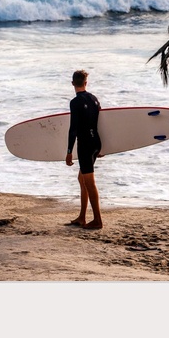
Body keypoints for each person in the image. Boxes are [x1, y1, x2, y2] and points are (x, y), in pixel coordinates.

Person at [65, 69, 104, 229]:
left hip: (85, 145)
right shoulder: (94, 99)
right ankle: (82, 217)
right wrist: (102, 147)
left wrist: (69, 152)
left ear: (73, 83)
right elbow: (101, 123)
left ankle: (97, 220)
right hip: (96, 143)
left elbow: (73, 128)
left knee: (89, 182)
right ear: (85, 83)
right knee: (82, 180)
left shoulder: (75, 103)